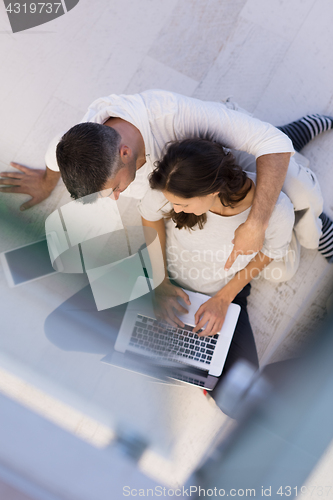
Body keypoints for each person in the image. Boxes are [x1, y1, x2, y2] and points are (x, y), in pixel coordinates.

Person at [0, 90, 332, 265]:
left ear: (125, 153)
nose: (115, 197)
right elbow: (52, 159)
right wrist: (45, 183)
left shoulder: (173, 115)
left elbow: (274, 146)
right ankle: (272, 132)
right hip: (194, 185)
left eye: (114, 187)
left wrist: (256, 225)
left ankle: (318, 226)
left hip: (217, 155)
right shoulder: (73, 145)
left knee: (297, 190)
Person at [138, 139, 299, 337]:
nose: (175, 209)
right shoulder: (172, 184)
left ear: (213, 191)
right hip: (163, 275)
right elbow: (149, 215)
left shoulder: (278, 211)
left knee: (240, 367)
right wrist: (160, 282)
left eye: (183, 205)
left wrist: (224, 298)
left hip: (222, 290)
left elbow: (272, 251)